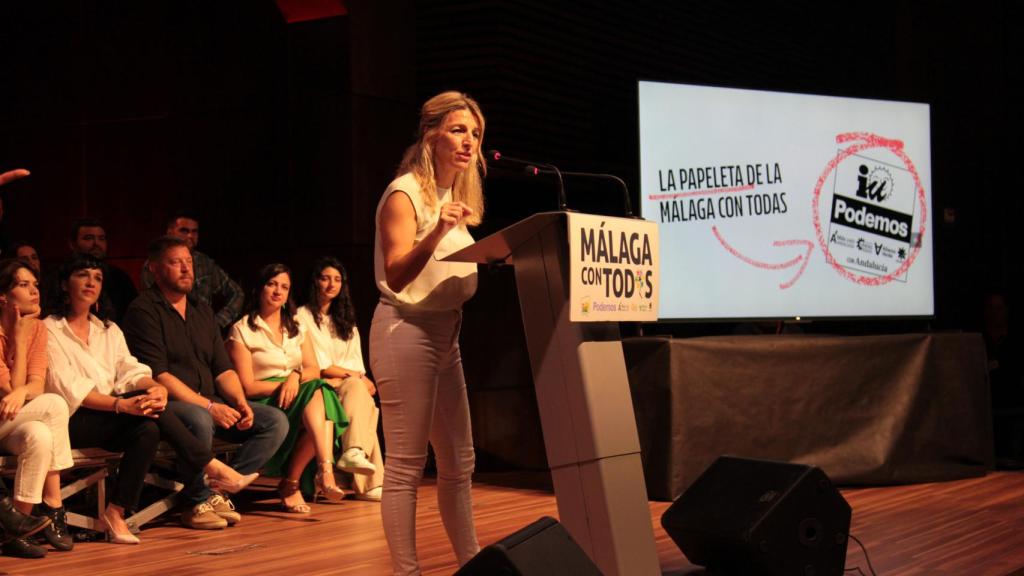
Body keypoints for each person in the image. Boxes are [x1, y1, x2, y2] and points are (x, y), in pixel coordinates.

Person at [44, 254, 259, 544]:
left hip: (116, 413)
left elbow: (130, 369)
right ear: (64, 284)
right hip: (73, 419)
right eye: (83, 275)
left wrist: (152, 387)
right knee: (144, 415)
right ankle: (211, 466)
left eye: (97, 278)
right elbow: (69, 388)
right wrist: (122, 405)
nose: (91, 283)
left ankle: (116, 512)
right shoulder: (48, 329)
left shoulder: (108, 329)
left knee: (149, 427)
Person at [369, 91, 486, 574]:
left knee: (461, 462)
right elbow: (396, 275)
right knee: (405, 466)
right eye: (459, 130)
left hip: (446, 336)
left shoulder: (454, 199)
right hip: (405, 331)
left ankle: (475, 564)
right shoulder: (404, 194)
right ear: (431, 134)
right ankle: (406, 571)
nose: (468, 142)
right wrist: (436, 232)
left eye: (475, 134)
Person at [122, 237, 288, 530]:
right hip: (170, 404)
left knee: (274, 420)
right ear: (155, 270)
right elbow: (159, 375)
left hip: (211, 398)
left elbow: (222, 368)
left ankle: (216, 491)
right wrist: (210, 406)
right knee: (199, 418)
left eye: (189, 262)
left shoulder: (201, 309)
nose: (186, 269)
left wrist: (238, 402)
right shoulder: (143, 310)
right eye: (176, 263)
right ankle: (195, 503)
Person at [227, 263, 347, 513]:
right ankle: (304, 480)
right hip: (264, 399)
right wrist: (285, 385)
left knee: (319, 394)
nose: (277, 291)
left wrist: (295, 376)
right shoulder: (242, 330)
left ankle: (317, 473)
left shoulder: (296, 326)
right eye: (271, 284)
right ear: (259, 289)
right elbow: (247, 386)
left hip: (298, 390)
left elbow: (313, 368)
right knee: (320, 396)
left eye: (284, 287)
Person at [0, 259, 73, 558]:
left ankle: (17, 529)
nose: (34, 291)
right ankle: (54, 505)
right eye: (23, 284)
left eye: (35, 285)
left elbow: (34, 387)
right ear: (3, 296)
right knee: (55, 404)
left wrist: (20, 392)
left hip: (14, 418)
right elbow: (7, 392)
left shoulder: (38, 329)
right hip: (3, 414)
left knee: (40, 434)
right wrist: (17, 337)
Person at [296, 256, 383, 501]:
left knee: (362, 397)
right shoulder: (301, 316)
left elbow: (356, 364)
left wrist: (356, 377)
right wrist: (354, 376)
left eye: (337, 280)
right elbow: (318, 366)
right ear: (315, 282)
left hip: (346, 384)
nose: (331, 284)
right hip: (319, 383)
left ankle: (355, 453)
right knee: (358, 389)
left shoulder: (346, 322)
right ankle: (368, 481)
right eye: (325, 278)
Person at [139, 211, 244, 330]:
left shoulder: (205, 263)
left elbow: (237, 294)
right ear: (170, 232)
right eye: (184, 230)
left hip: (204, 330)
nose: (190, 236)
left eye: (194, 231)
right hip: (170, 328)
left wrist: (217, 323)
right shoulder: (157, 264)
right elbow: (152, 302)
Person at [46, 218, 137, 323]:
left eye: (101, 238)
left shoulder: (120, 277)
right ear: (72, 244)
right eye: (89, 238)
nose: (96, 243)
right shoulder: (58, 275)